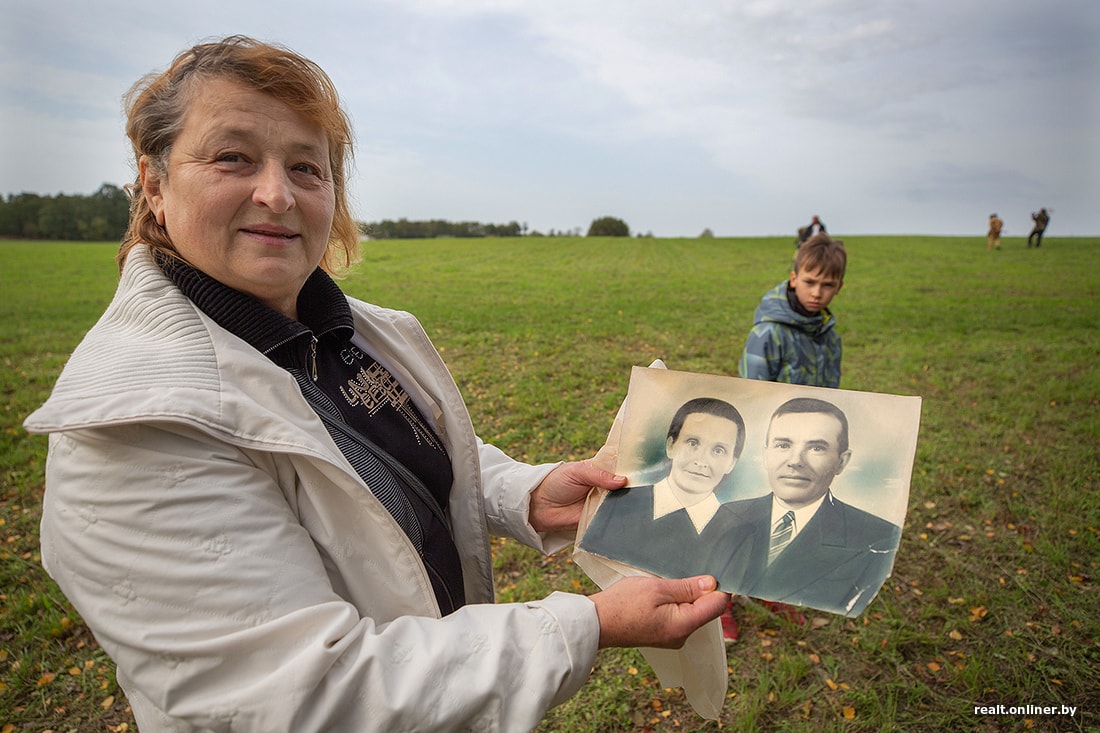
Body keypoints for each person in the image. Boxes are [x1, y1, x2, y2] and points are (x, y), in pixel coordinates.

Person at [22, 36, 728, 733]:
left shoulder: (337, 332)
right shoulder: (135, 424)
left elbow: (384, 464)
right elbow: (314, 695)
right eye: (232, 157)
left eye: (307, 167)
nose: (277, 193)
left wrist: (531, 495)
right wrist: (589, 624)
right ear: (154, 181)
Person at [718, 398, 901, 617]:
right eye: (783, 445)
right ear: (766, 454)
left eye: (816, 447)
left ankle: (771, 596)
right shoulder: (728, 514)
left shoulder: (877, 538)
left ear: (842, 461)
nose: (795, 461)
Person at [579, 397, 754, 586]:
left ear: (731, 463)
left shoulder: (739, 531)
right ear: (671, 446)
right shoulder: (620, 502)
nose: (702, 460)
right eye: (693, 443)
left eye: (718, 450)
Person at [739, 233, 846, 388]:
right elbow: (750, 394)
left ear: (839, 287)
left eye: (828, 285)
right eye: (809, 282)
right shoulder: (768, 334)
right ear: (794, 279)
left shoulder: (832, 339)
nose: (816, 293)